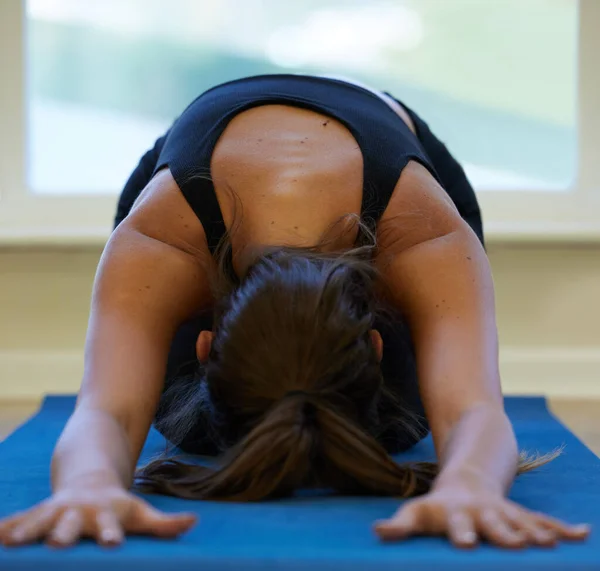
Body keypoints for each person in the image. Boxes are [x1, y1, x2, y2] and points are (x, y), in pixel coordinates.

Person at [0, 74, 590, 550]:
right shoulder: (162, 234)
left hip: (389, 182)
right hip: (206, 201)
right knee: (212, 430)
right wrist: (86, 485)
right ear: (204, 342)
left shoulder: (424, 229)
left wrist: (472, 484)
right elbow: (108, 409)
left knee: (371, 424)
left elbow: (473, 412)